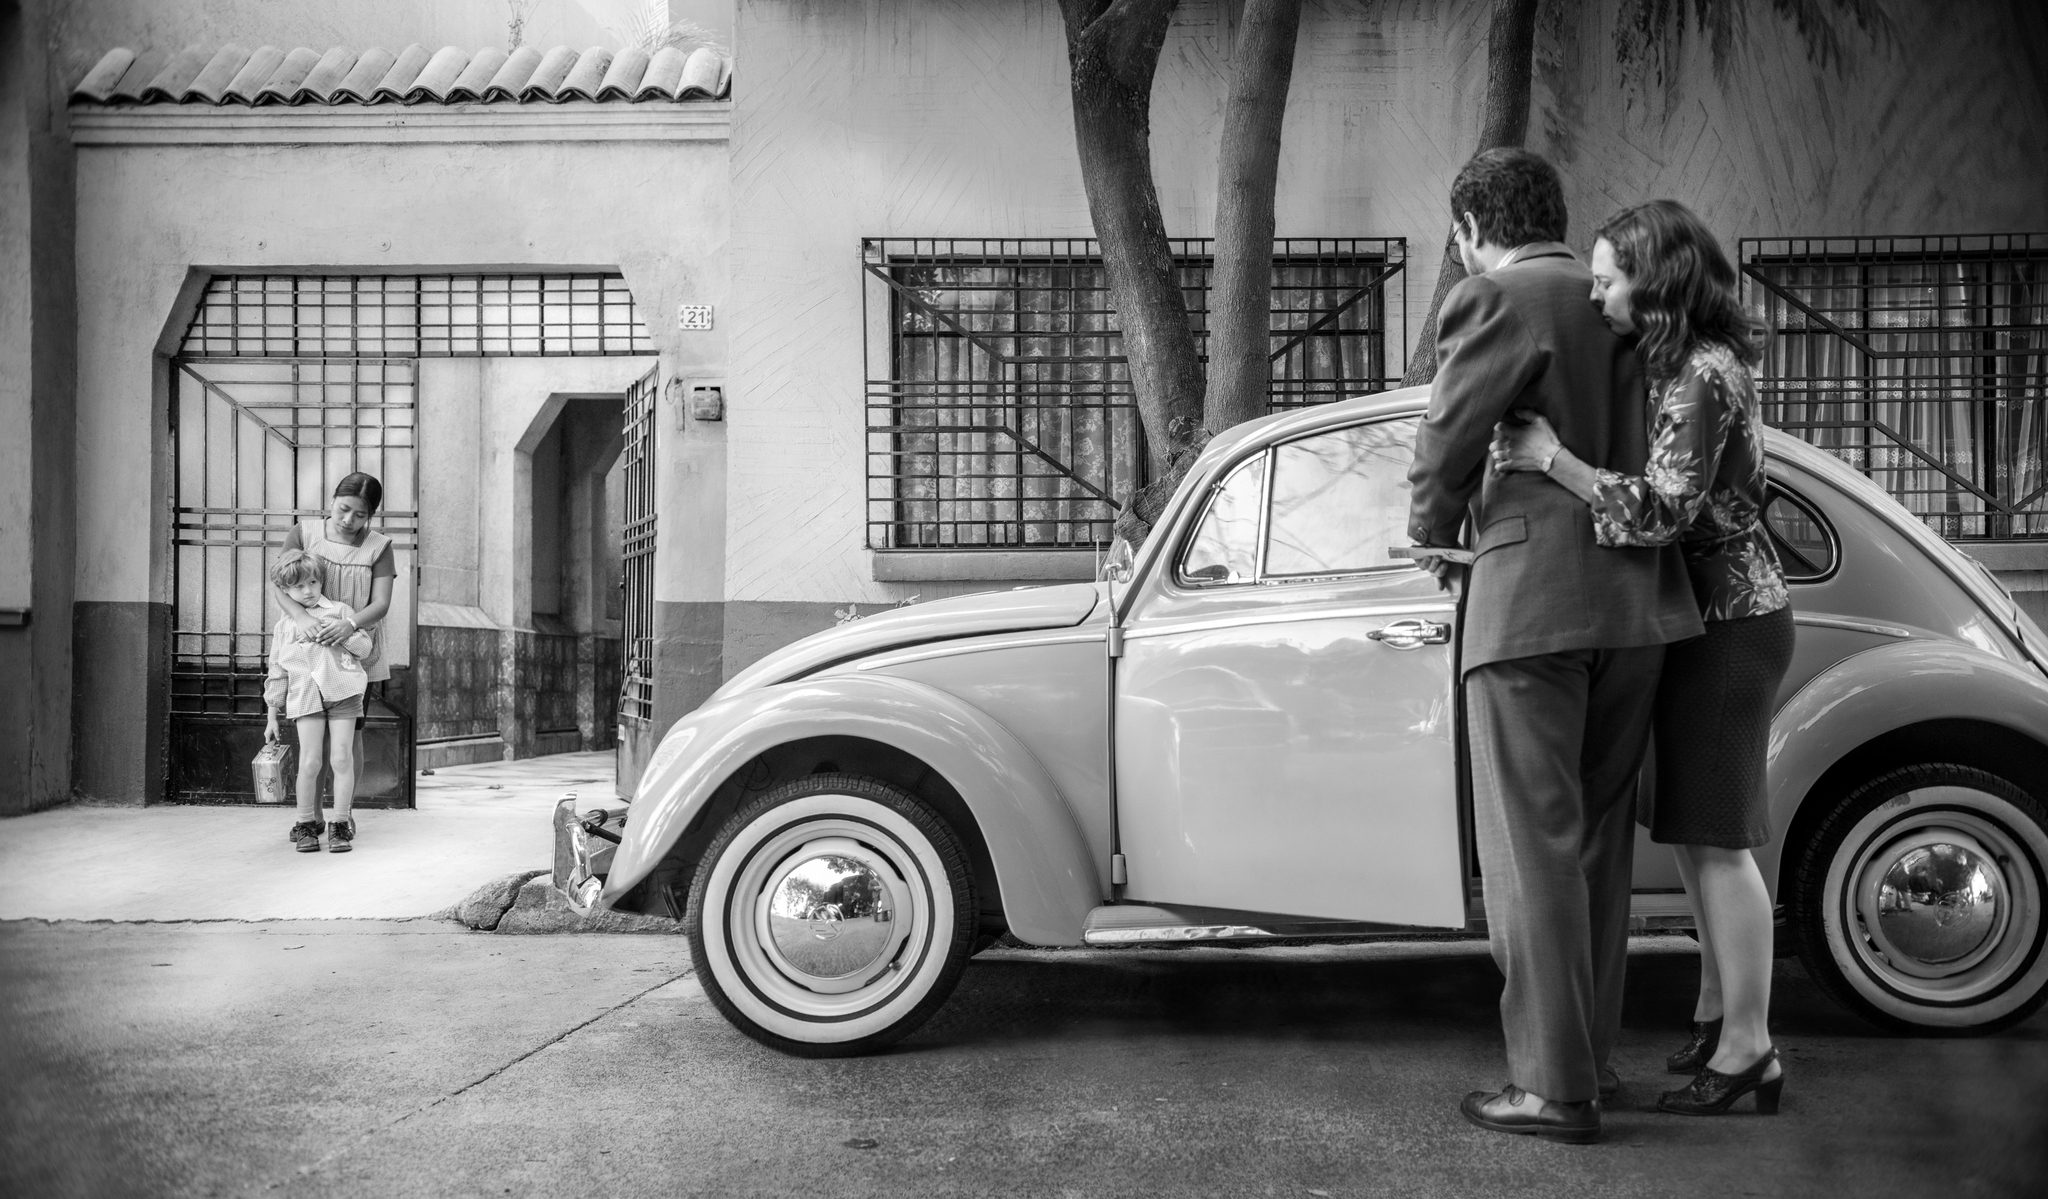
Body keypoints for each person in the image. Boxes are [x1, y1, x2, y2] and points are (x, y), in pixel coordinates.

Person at [1405, 148, 1703, 1144]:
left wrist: (1430, 530)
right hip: (1638, 609)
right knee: (1592, 847)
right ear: (1558, 214)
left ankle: (1549, 1086)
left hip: (1530, 603)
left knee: (1530, 850)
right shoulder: (1627, 296)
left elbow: (1446, 440)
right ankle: (1589, 1065)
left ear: (1464, 230)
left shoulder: (1495, 294)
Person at [1489, 198, 1793, 1118]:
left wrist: (1554, 460)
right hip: (1706, 618)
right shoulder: (1695, 363)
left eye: (1610, 274)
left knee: (1716, 840)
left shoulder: (1700, 375)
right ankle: (1717, 1017)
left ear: (1654, 281)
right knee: (1699, 834)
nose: (1595, 289)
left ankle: (1749, 1052)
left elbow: (1662, 511)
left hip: (1730, 622)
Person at [271, 472, 396, 821]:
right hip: (308, 649)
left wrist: (349, 623)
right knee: (313, 741)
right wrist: (301, 617)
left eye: (360, 515)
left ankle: (343, 813)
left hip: (355, 648)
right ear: (332, 501)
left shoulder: (380, 546)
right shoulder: (303, 533)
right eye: (343, 509)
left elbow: (381, 603)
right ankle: (311, 815)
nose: (349, 520)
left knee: (348, 737)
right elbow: (280, 583)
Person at [263, 550, 376, 852]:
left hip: (343, 693)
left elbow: (365, 648)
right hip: (304, 697)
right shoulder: (284, 626)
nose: (308, 590)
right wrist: (272, 716)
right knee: (310, 762)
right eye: (299, 586)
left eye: (313, 582)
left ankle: (340, 824)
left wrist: (339, 634)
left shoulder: (339, 611)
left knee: (341, 758)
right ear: (284, 590)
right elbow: (277, 671)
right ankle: (306, 824)